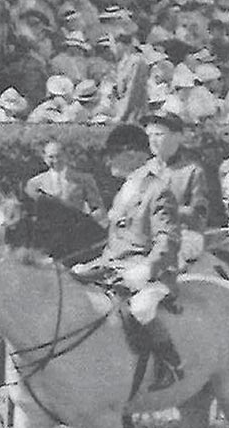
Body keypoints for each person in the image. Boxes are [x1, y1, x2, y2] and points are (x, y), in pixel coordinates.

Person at [79, 123, 187, 388]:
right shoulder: (126, 189)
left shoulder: (157, 190)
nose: (108, 162)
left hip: (150, 274)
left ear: (132, 154)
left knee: (140, 309)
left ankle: (170, 364)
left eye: (112, 155)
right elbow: (116, 244)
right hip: (117, 269)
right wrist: (91, 266)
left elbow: (168, 239)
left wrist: (147, 269)